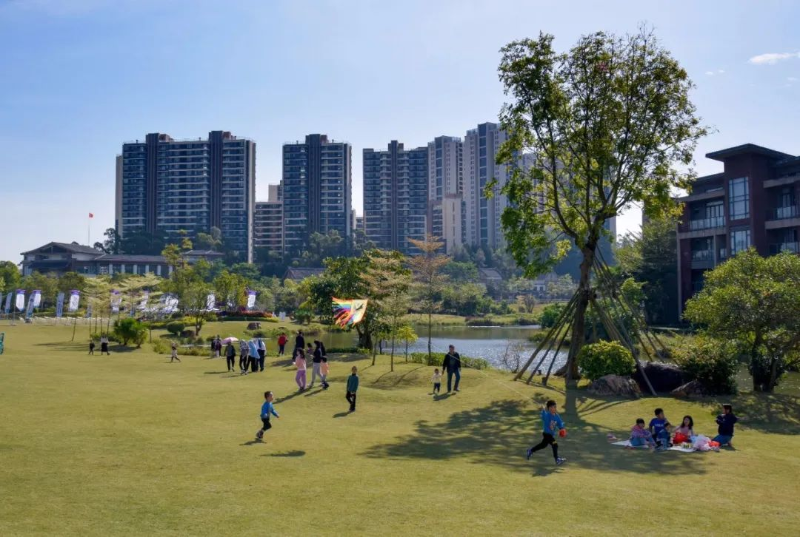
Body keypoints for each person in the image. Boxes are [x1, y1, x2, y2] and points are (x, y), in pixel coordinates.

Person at [526, 400, 567, 465]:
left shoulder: (556, 416)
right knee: (555, 445)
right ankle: (557, 459)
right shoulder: (547, 415)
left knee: (543, 445)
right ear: (549, 408)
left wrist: (562, 429)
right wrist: (543, 410)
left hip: (550, 435)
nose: (555, 408)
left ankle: (530, 450)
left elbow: (559, 423)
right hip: (547, 435)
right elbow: (543, 416)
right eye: (553, 407)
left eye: (555, 407)